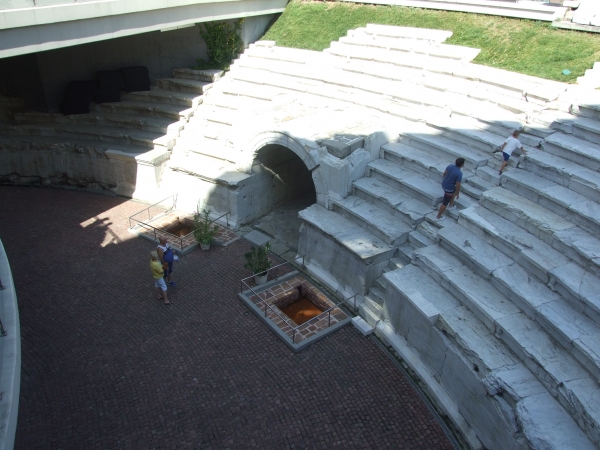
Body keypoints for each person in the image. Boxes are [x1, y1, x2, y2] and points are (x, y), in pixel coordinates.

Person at [435, 158, 465, 222]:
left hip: (444, 184)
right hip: (449, 189)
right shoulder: (459, 173)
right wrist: (458, 192)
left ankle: (451, 205)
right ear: (462, 165)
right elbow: (458, 185)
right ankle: (438, 217)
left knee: (453, 192)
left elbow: (444, 174)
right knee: (444, 203)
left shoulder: (450, 166)